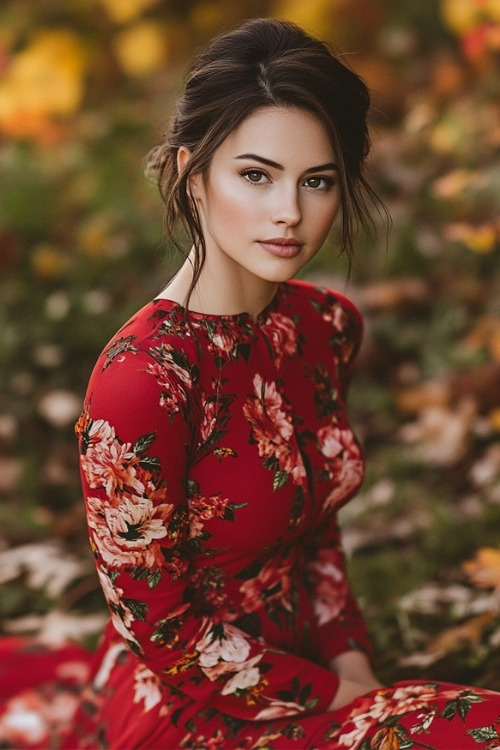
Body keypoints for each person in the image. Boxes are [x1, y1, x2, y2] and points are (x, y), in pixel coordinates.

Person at [1, 16, 500, 750]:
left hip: (316, 670)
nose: (290, 212)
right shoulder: (142, 380)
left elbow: (319, 531)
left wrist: (355, 668)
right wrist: (337, 697)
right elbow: (157, 626)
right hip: (189, 712)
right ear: (190, 173)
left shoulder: (323, 326)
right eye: (256, 175)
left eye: (318, 181)